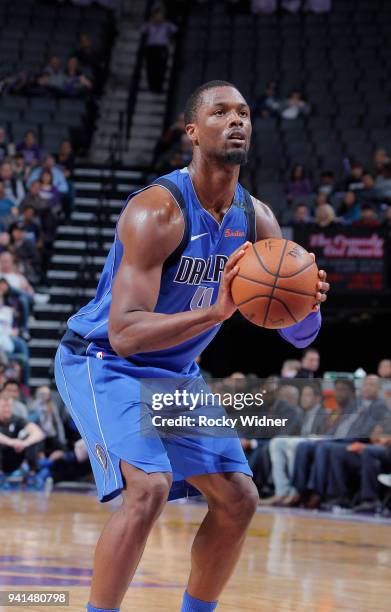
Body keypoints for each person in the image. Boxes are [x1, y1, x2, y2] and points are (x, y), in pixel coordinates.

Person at [54, 80, 329, 612]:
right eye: (221, 111)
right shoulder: (157, 211)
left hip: (174, 375)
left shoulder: (258, 221)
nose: (237, 120)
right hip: (105, 362)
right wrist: (216, 311)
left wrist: (307, 305)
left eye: (244, 112)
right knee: (149, 488)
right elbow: (125, 332)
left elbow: (298, 336)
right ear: (192, 132)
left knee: (238, 499)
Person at [142, 6, 177, 93]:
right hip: (151, 48)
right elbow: (142, 29)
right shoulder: (150, 25)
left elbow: (175, 29)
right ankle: (151, 86)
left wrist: (165, 23)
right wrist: (151, 22)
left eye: (160, 16)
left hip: (162, 48)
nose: (158, 18)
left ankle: (159, 87)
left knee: (161, 68)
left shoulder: (166, 25)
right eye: (156, 16)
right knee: (151, 67)